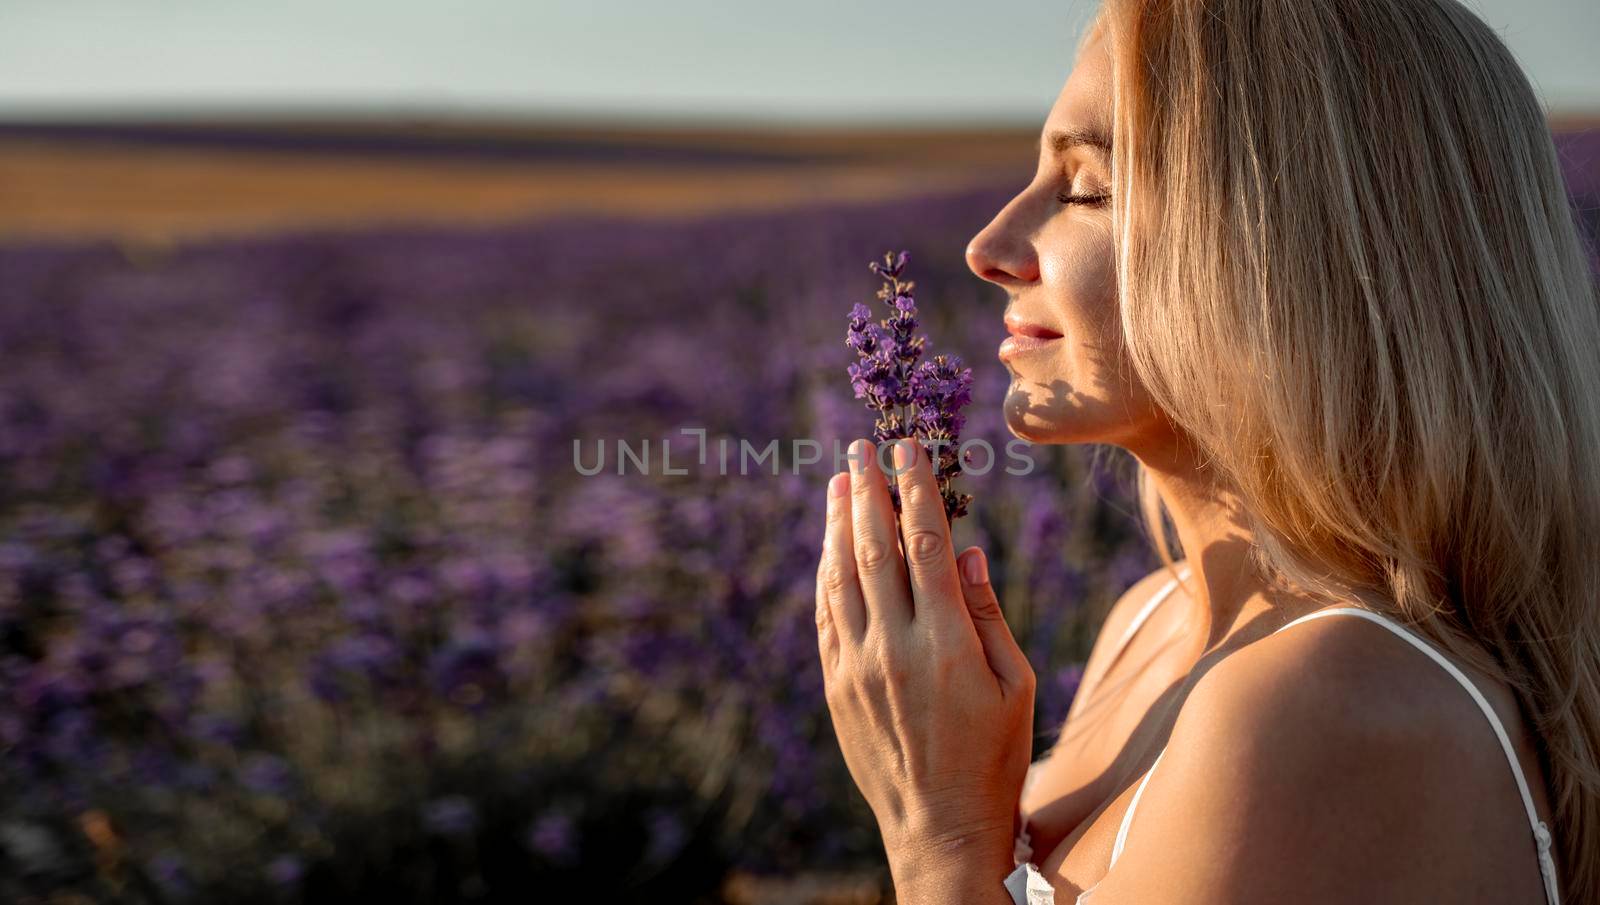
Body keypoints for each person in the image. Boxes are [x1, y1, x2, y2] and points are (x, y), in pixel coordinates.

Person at [812, 0, 1600, 902]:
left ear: (1282, 250)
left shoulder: (1321, 705)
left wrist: (940, 830)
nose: (988, 248)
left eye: (1086, 190)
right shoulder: (1150, 623)